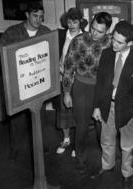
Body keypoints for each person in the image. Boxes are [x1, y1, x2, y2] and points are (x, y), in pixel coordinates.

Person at [91, 20, 133, 188]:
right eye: (113, 39)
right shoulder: (107, 54)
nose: (114, 44)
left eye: (119, 42)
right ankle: (107, 167)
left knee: (127, 145)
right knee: (106, 140)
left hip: (127, 110)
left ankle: (127, 173)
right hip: (106, 106)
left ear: (130, 43)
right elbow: (100, 83)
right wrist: (96, 106)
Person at [0, 2, 50, 160]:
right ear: (27, 15)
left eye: (41, 16)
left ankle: (42, 145)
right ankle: (15, 148)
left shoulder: (45, 31)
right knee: (17, 119)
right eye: (35, 16)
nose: (38, 20)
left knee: (40, 116)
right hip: (18, 84)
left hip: (38, 82)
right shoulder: (12, 32)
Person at [62, 12, 112, 175]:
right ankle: (81, 159)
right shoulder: (79, 40)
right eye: (93, 28)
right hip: (82, 87)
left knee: (102, 126)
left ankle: (107, 158)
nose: (95, 33)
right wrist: (67, 92)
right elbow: (69, 67)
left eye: (100, 31)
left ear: (107, 31)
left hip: (102, 88)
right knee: (82, 126)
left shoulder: (111, 42)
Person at [55, 8, 87, 156]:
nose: (72, 24)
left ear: (80, 21)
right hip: (63, 79)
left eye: (75, 21)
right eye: (69, 21)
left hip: (79, 81)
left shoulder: (86, 37)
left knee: (78, 114)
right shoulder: (61, 35)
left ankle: (77, 144)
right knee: (64, 111)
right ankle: (66, 139)